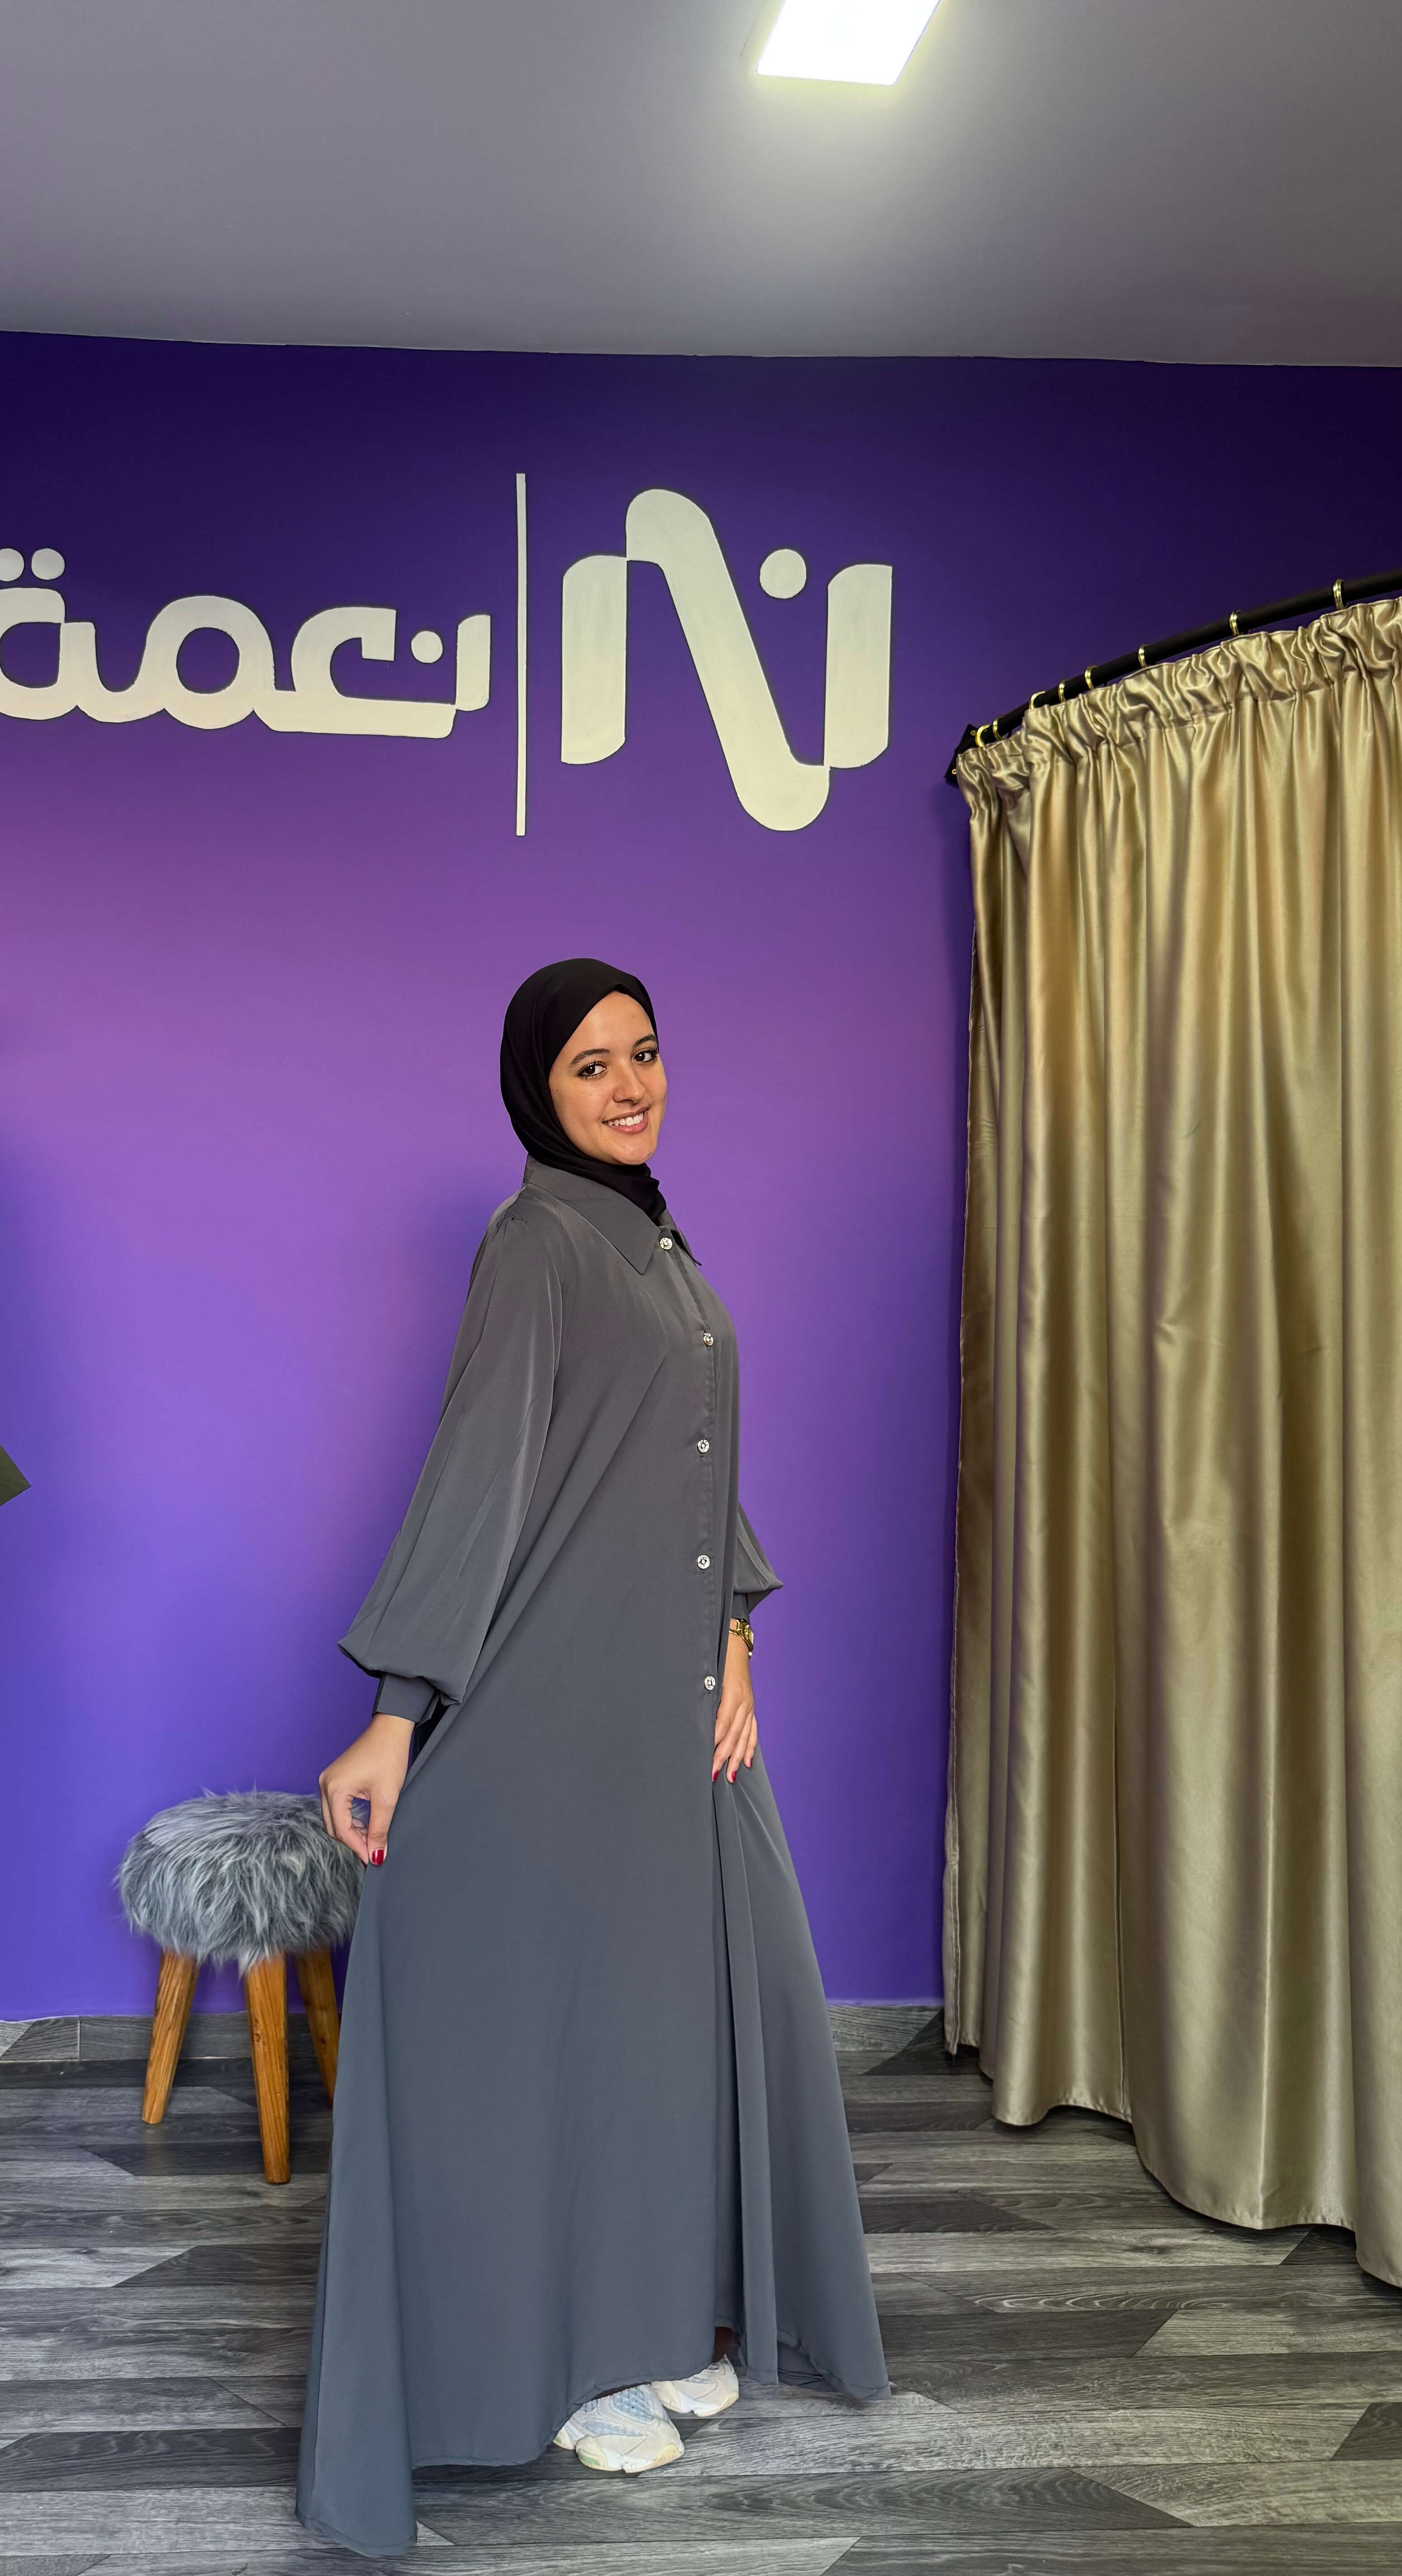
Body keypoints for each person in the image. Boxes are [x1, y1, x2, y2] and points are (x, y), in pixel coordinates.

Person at [296, 958, 886, 2557]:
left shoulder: (655, 1239)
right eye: (589, 1065)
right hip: (553, 1703)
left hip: (668, 1698)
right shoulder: (538, 1242)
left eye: (644, 1053)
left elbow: (692, 1458)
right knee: (560, 2031)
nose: (630, 1085)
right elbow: (481, 1470)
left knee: (663, 2021)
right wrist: (400, 1710)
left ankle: (648, 2318)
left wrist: (737, 1636)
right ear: (535, 1091)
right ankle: (569, 2367)